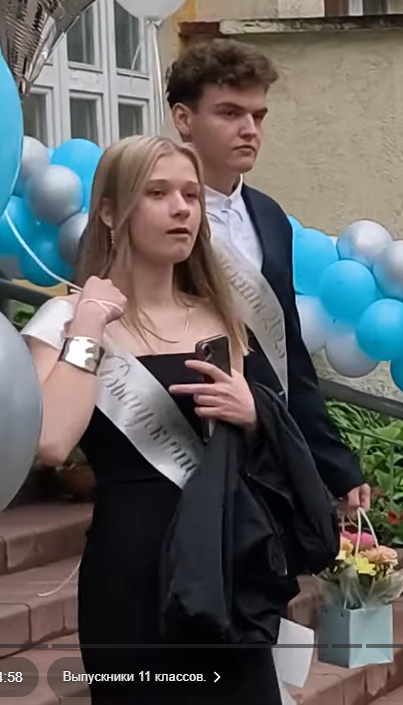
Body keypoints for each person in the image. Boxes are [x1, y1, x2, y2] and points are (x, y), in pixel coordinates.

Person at [21, 134, 307, 704]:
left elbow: (273, 451)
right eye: (157, 193)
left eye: (191, 195)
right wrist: (90, 327)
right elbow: (51, 441)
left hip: (227, 565)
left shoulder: (224, 317)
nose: (182, 209)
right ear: (110, 212)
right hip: (132, 574)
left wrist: (256, 416)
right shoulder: (65, 319)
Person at [166, 37, 370, 514]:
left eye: (258, 116)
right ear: (183, 119)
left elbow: (289, 354)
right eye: (230, 113)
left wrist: (335, 463)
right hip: (179, 447)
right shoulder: (150, 215)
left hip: (263, 450)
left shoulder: (271, 217)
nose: (249, 130)